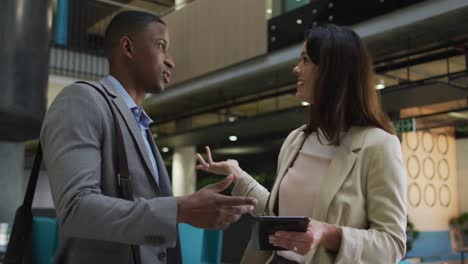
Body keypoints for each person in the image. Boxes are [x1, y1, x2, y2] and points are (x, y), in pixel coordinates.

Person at [40, 11, 256, 264]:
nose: (171, 61)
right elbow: (76, 209)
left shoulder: (138, 122)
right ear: (128, 47)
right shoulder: (81, 101)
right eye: (161, 46)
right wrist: (181, 209)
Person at [197, 24, 407, 264]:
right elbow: (279, 217)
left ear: (332, 71)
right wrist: (238, 175)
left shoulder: (379, 145)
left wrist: (330, 234)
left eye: (305, 60)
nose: (296, 69)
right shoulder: (296, 140)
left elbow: (392, 243)